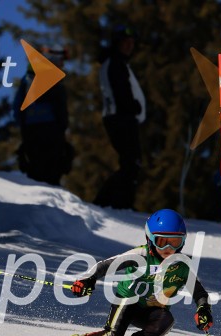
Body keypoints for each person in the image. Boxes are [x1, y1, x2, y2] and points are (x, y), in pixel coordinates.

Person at [26, 209, 213, 336]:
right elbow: (104, 265)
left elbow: (199, 292)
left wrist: (203, 309)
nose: (168, 250)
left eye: (175, 242)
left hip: (152, 310)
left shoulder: (181, 266)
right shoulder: (140, 255)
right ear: (150, 238)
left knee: (166, 320)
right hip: (128, 300)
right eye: (162, 242)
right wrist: (87, 279)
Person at [93, 24, 146, 209]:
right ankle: (114, 204)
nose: (129, 46)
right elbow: (120, 91)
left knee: (130, 163)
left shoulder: (116, 62)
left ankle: (110, 202)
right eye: (126, 42)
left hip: (118, 116)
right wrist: (133, 106)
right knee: (131, 162)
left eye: (132, 43)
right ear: (117, 43)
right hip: (120, 117)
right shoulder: (115, 63)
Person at [13, 45, 72, 185]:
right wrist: (62, 127)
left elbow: (17, 106)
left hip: (29, 130)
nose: (62, 65)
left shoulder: (27, 80)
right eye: (61, 61)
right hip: (51, 131)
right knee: (51, 172)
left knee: (35, 171)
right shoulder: (54, 82)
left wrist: (22, 126)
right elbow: (61, 109)